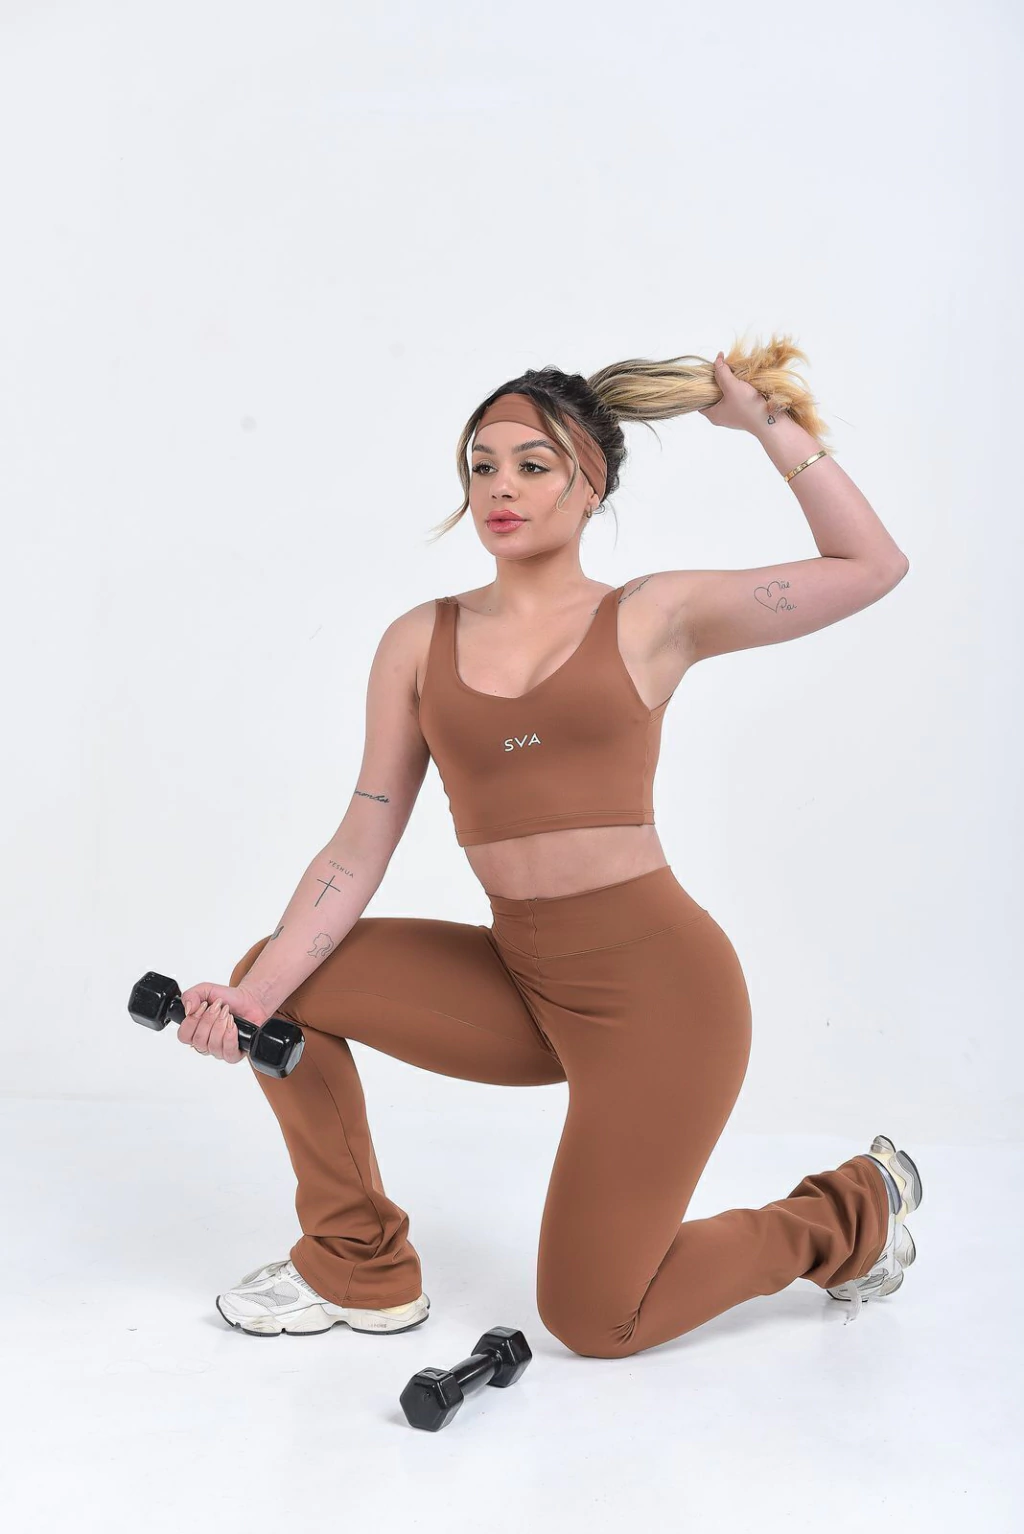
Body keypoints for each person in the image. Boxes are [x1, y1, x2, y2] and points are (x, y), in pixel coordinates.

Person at [178, 339, 923, 1354]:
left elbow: (871, 566)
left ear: (591, 484)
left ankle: (846, 1213)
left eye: (533, 465)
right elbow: (362, 836)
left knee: (595, 1317)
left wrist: (766, 423)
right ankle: (357, 1264)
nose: (500, 486)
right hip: (520, 982)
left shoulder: (653, 616)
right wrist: (254, 1000)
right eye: (482, 464)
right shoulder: (419, 640)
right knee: (275, 977)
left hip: (660, 1000)